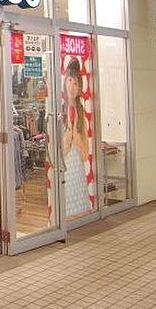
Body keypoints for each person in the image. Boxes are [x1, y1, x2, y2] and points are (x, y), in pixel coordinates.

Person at [61, 57, 91, 217]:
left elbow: (85, 154)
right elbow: (61, 149)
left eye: (75, 83)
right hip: (65, 168)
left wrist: (76, 135)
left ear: (79, 87)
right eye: (69, 81)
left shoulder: (81, 111)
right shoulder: (59, 110)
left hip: (77, 169)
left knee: (79, 209)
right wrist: (70, 132)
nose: (72, 86)